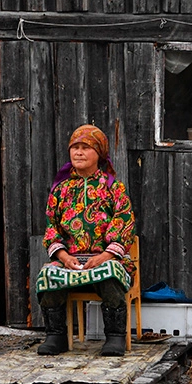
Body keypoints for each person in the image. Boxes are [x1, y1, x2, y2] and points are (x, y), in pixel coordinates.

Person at [35, 124, 136, 357]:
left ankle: (115, 337)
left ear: (99, 154)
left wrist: (104, 256)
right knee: (48, 274)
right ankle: (56, 336)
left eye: (86, 147)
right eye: (75, 147)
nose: (79, 152)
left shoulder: (113, 188)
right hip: (70, 262)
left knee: (111, 272)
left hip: (105, 259)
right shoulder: (60, 191)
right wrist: (63, 256)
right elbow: (51, 228)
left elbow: (124, 223)